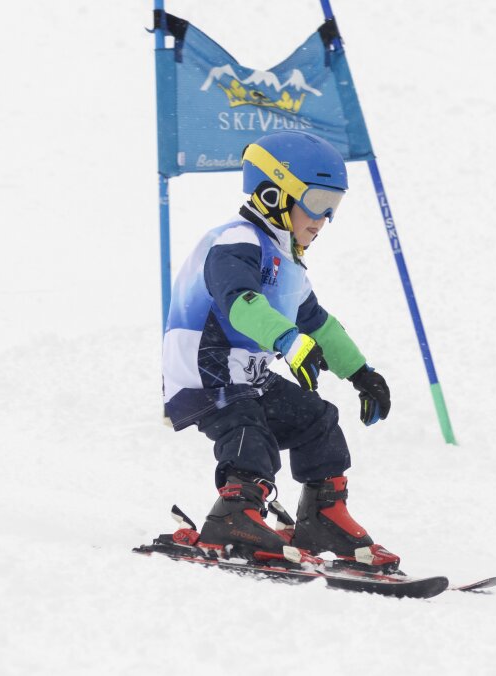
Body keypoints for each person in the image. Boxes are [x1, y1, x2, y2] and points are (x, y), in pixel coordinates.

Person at [161, 130, 398, 571]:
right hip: (204, 369)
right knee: (248, 431)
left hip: (244, 373)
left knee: (316, 419)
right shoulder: (236, 242)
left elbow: (318, 323)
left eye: (334, 206)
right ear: (273, 194)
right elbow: (240, 304)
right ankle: (234, 515)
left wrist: (361, 374)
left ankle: (322, 517)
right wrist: (288, 341)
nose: (324, 219)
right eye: (318, 201)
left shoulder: (287, 259)